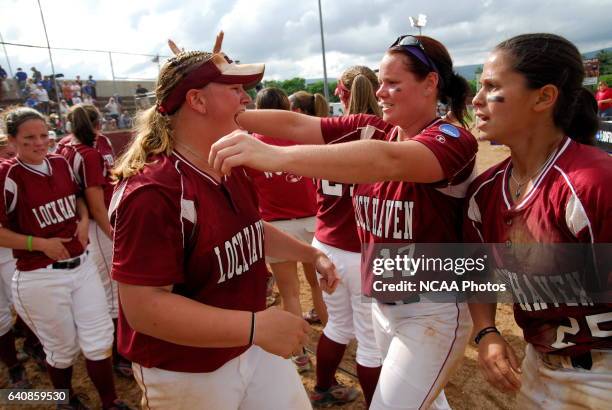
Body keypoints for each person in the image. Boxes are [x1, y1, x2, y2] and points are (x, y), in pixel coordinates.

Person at [210, 34, 477, 410]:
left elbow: (389, 160)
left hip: (431, 309)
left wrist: (275, 156)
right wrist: (219, 97)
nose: (381, 91)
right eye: (380, 82)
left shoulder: (452, 138)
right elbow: (298, 125)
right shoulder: (374, 127)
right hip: (383, 303)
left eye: (393, 83)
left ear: (430, 83)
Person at [110, 48, 339, 409]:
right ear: (197, 100)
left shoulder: (229, 162)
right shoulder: (153, 192)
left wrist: (310, 253)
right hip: (187, 368)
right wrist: (255, 327)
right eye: (234, 88)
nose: (246, 97)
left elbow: (250, 231)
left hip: (248, 343)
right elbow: (143, 308)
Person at [466, 33, 612, 410]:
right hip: (538, 366)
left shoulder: (592, 182)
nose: (477, 100)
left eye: (492, 87)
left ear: (544, 97)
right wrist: (485, 331)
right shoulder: (485, 190)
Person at [0, 107, 131, 410]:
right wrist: (38, 243)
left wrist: (84, 222)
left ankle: (110, 403)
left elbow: (78, 199)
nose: (39, 142)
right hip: (39, 274)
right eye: (29, 137)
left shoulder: (59, 162)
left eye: (44, 135)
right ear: (13, 140)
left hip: (81, 265)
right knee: (62, 349)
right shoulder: (9, 175)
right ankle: (61, 399)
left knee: (99, 340)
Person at [248, 87, 326, 374]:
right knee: (318, 286)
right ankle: (334, 339)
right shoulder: (299, 136)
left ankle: (301, 355)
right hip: (311, 222)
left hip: (277, 227)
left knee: (290, 294)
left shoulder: (252, 143)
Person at [56, 104, 132, 378]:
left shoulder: (79, 144)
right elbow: (95, 202)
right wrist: (112, 232)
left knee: (108, 288)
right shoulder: (84, 152)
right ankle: (120, 356)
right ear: (97, 123)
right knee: (112, 290)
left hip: (95, 220)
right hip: (101, 226)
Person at [0, 135, 31, 389]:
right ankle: (13, 367)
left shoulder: (10, 173)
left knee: (23, 303)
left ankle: (33, 345)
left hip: (9, 249)